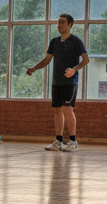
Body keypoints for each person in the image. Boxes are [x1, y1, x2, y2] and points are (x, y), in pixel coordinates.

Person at [27, 14, 90, 152]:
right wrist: (34, 68)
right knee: (57, 110)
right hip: (57, 82)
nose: (59, 25)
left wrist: (74, 70)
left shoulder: (76, 41)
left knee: (68, 109)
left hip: (69, 82)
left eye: (63, 22)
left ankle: (73, 141)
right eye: (58, 22)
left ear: (70, 25)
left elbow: (86, 60)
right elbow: (47, 59)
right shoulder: (54, 42)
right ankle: (59, 141)